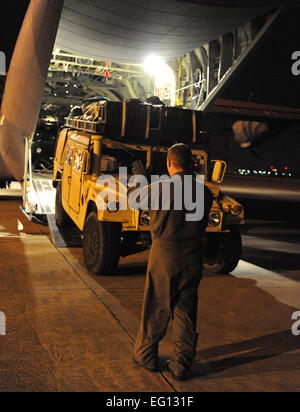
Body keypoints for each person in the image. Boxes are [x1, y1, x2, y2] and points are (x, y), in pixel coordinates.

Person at [133, 143, 213, 381]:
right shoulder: (205, 192)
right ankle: (180, 364)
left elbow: (134, 201)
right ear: (190, 163)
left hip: (165, 254)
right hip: (192, 256)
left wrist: (140, 179)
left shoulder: (161, 188)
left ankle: (146, 355)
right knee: (185, 311)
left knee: (156, 306)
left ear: (169, 163)